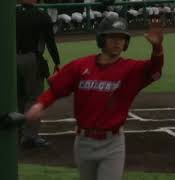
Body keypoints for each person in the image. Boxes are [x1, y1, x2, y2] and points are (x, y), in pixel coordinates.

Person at [25, 17, 164, 180]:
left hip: (113, 144)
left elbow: (154, 68)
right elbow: (56, 89)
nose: (117, 42)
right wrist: (40, 104)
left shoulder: (131, 69)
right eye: (112, 37)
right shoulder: (80, 66)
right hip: (83, 142)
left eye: (121, 38)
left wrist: (157, 47)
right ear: (101, 39)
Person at [16, 0, 60, 147]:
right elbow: (50, 41)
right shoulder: (41, 16)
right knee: (33, 97)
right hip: (32, 59)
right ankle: (30, 136)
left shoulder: (10, 14)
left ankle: (16, 130)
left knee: (18, 95)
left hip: (9, 59)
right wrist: (56, 61)